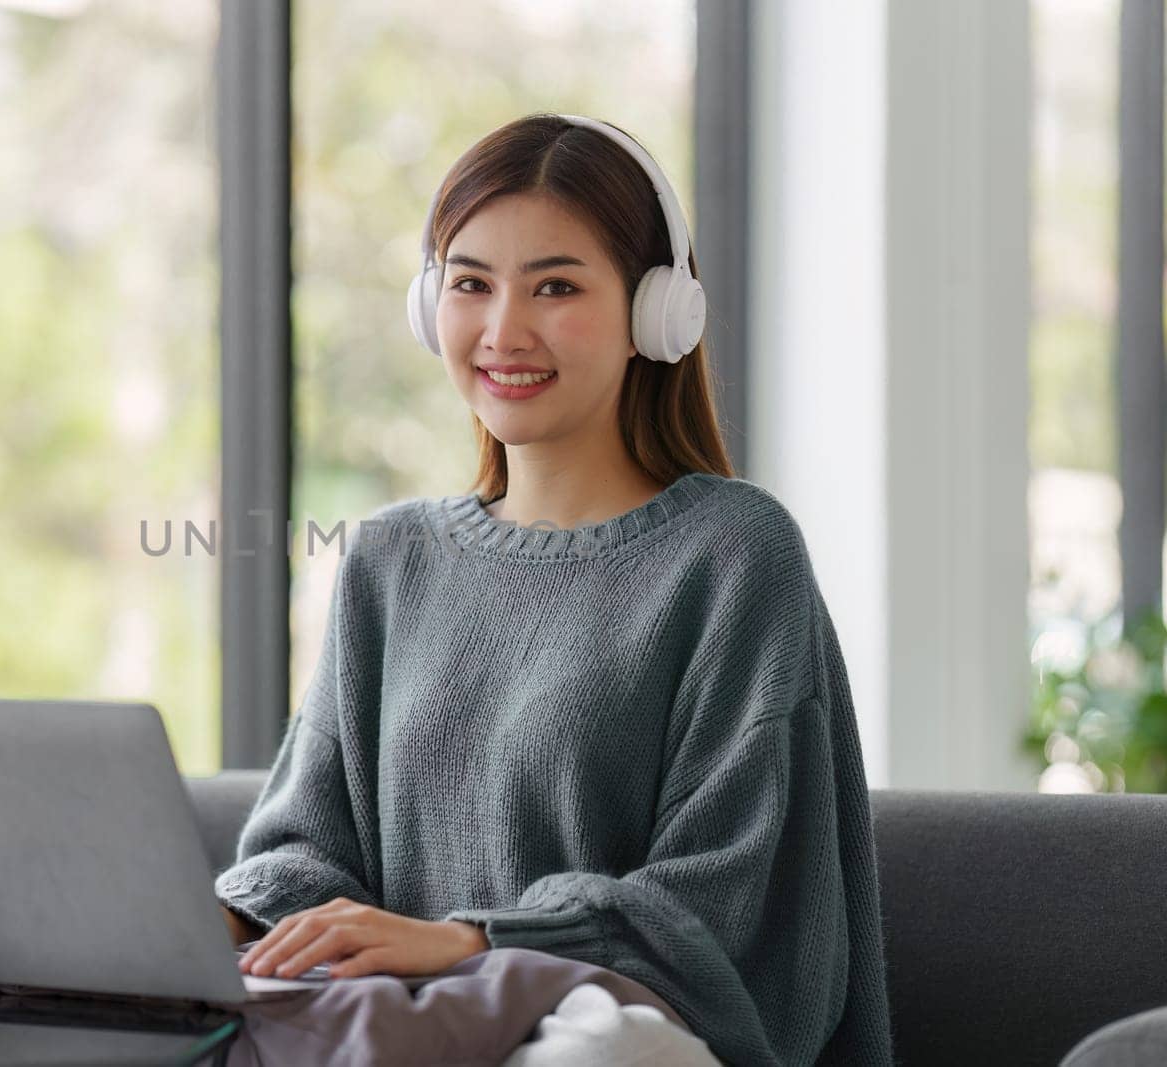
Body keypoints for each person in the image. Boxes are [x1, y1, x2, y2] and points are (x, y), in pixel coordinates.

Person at [213, 112, 894, 1066]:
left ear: (656, 313)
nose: (503, 331)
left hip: (615, 1038)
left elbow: (729, 903)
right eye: (470, 284)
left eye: (557, 286)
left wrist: (478, 939)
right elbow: (300, 845)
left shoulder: (735, 553)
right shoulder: (389, 558)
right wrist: (230, 924)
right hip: (406, 1032)